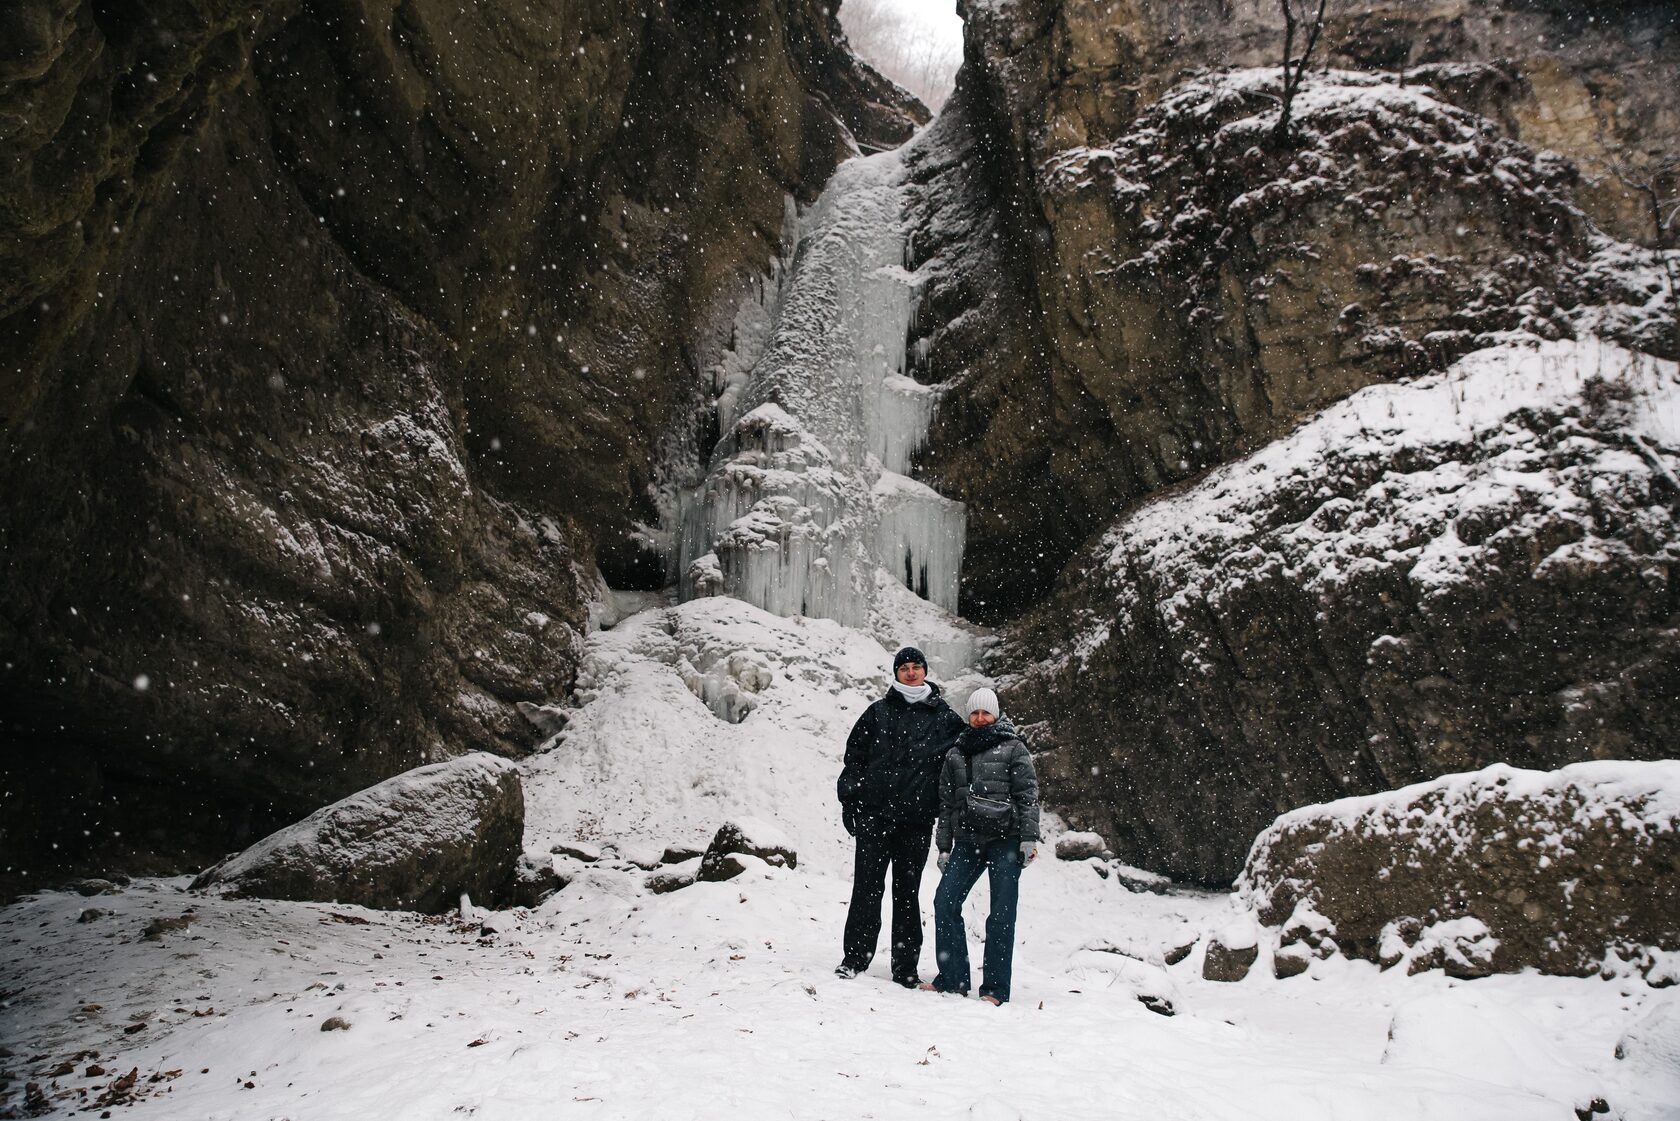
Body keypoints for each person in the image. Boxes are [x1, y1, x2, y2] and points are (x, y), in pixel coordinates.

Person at [834, 645, 966, 987]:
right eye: (904, 667)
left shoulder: (944, 719)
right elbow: (854, 760)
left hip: (916, 822)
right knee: (867, 889)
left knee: (907, 894)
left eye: (916, 666)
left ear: (925, 671)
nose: (910, 672)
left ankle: (904, 967)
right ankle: (855, 958)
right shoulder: (877, 713)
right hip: (875, 818)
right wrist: (851, 802)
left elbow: (968, 752)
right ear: (896, 674)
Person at [922, 686, 1040, 1005]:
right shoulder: (956, 753)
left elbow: (1027, 797)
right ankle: (953, 978)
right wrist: (944, 848)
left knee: (1001, 914)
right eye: (974, 712)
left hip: (1006, 841)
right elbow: (946, 807)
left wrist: (1029, 840)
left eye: (985, 712)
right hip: (967, 841)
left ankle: (995, 989)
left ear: (996, 714)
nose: (979, 718)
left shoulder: (1014, 748)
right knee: (944, 902)